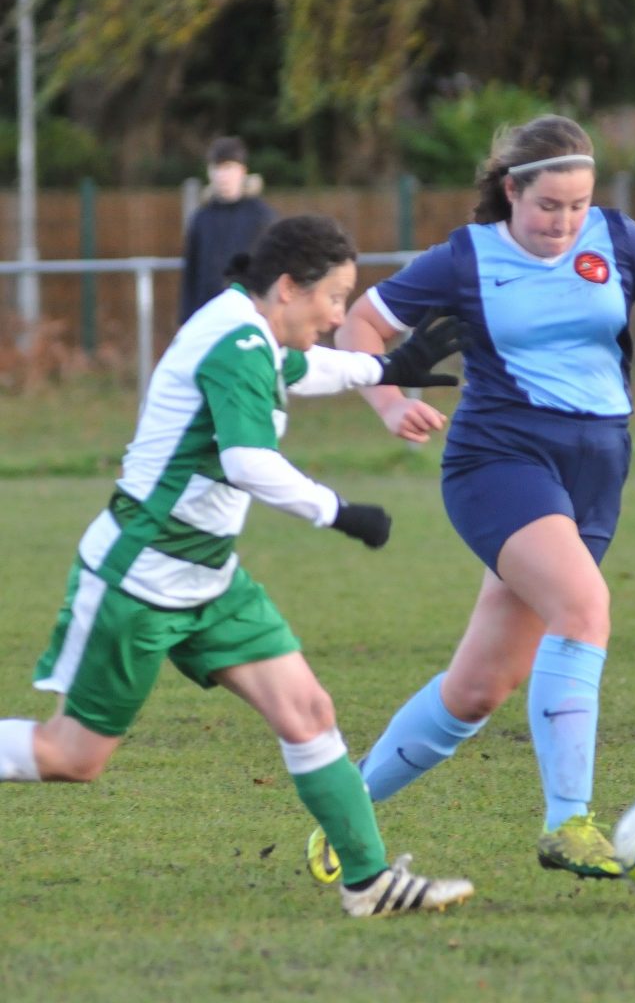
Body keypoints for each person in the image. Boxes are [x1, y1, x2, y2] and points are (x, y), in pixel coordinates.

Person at [0, 214, 473, 919]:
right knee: (75, 756)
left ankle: (368, 882)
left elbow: (301, 368)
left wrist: (386, 367)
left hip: (210, 580)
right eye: (335, 298)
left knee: (308, 712)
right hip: (139, 578)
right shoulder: (234, 340)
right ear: (288, 287)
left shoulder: (248, 326)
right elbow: (248, 461)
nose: (341, 314)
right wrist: (337, 511)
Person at [306, 114, 635, 885]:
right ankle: (567, 821)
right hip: (499, 462)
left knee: (476, 690)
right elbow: (361, 326)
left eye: (577, 206)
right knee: (584, 608)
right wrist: (386, 402)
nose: (564, 222)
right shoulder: (465, 258)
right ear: (511, 190)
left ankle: (345, 816)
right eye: (548, 207)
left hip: (595, 476)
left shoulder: (617, 239)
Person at [179, 135, 277, 324]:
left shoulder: (262, 216)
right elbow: (190, 274)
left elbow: (272, 270)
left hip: (249, 316)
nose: (222, 175)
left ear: (242, 171)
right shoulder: (201, 218)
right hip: (207, 314)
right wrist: (185, 320)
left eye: (228, 167)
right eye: (217, 168)